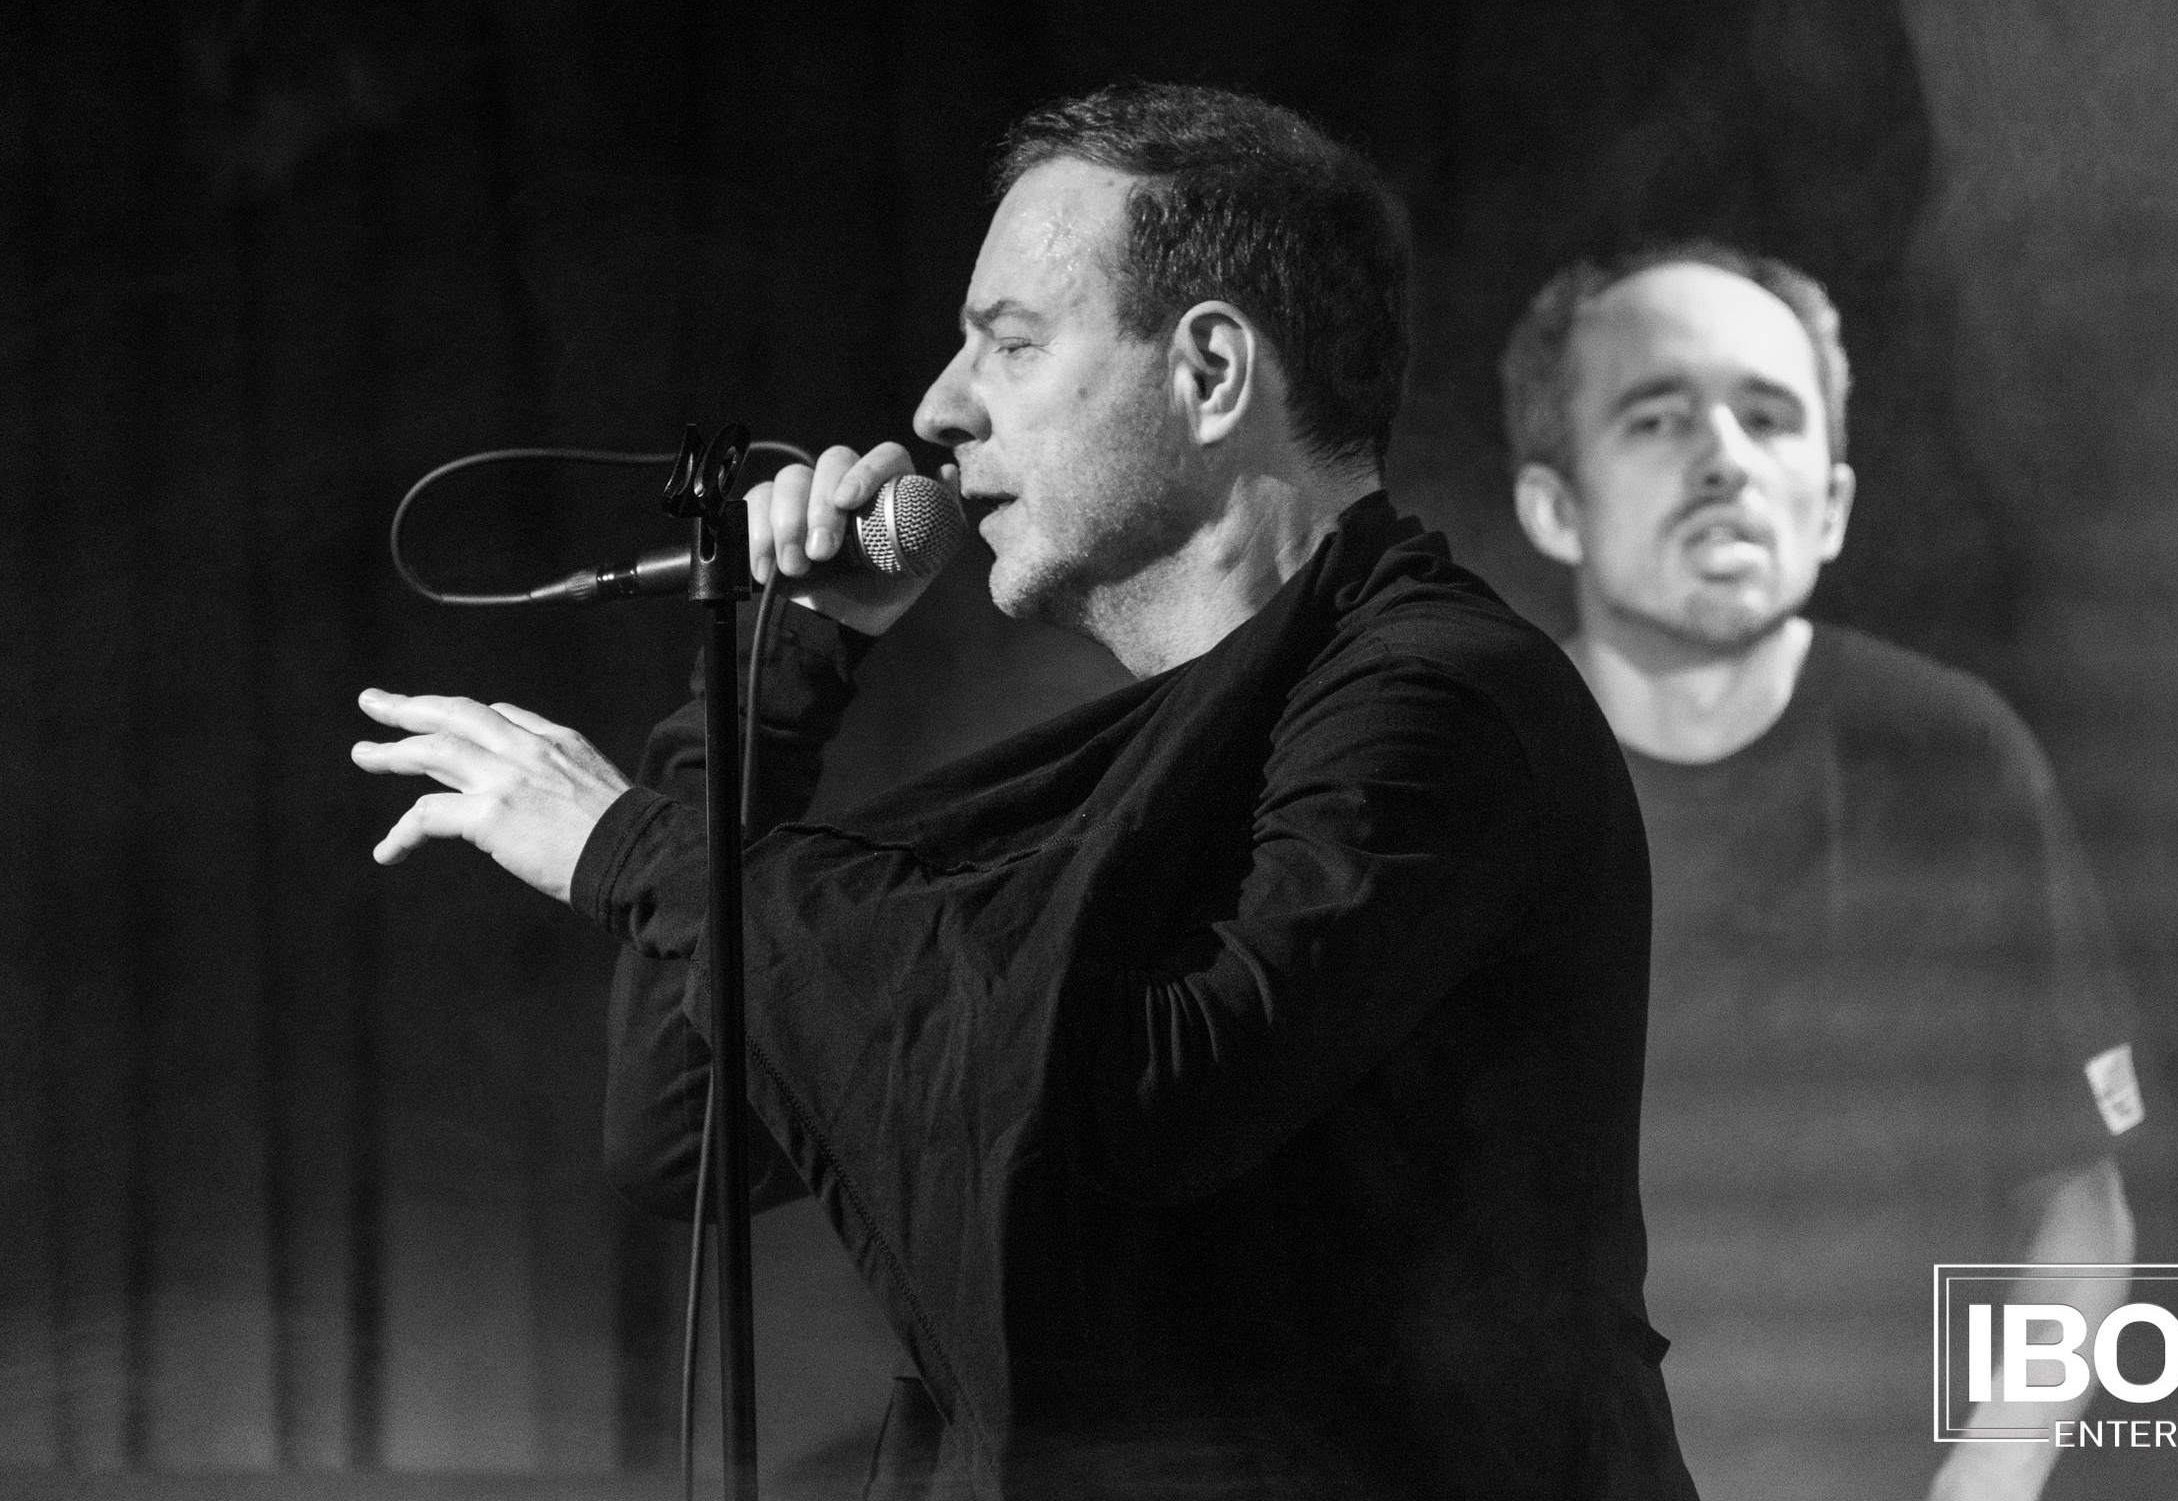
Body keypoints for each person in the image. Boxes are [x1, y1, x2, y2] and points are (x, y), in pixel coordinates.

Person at [351, 85, 1699, 1501]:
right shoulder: (1158, 755)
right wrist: (798, 660)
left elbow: (1133, 1098)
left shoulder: (1444, 704)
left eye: (1010, 344)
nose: (939, 411)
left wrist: (636, 850)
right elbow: (689, 1125)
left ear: (1213, 372)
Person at [1500, 242, 2145, 1501]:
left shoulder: (1956, 754)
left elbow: (2079, 1210)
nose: (1724, 456)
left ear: (1833, 502)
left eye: (1768, 414)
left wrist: (1987, 1480)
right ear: (1551, 505)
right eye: (1656, 413)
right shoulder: (1441, 784)